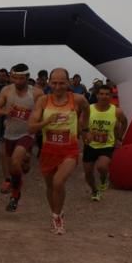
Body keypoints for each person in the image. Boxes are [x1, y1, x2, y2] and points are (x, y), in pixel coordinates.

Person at [29, 68, 89, 234]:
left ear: (68, 83)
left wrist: (85, 129)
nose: (58, 86)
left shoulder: (78, 99)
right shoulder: (43, 101)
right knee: (50, 186)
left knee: (58, 182)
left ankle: (57, 217)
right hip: (48, 149)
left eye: (62, 83)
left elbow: (86, 110)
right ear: (49, 82)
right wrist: (46, 121)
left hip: (69, 149)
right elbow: (31, 128)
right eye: (54, 83)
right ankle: (56, 212)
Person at [0, 63, 43, 212]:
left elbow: (45, 111)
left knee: (15, 161)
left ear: (27, 77)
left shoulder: (37, 94)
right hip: (10, 132)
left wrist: (39, 122)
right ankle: (18, 171)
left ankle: (15, 195)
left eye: (21, 78)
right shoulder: (6, 90)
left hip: (27, 133)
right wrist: (4, 112)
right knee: (13, 166)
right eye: (14, 78)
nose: (17, 81)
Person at [82, 85, 127, 201]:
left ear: (111, 96)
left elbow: (124, 122)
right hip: (90, 145)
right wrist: (85, 135)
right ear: (97, 95)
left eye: (107, 94)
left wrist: (119, 138)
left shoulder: (117, 111)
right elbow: (81, 124)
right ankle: (94, 190)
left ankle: (103, 178)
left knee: (102, 166)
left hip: (106, 145)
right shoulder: (89, 109)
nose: (104, 96)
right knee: (88, 173)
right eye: (101, 94)